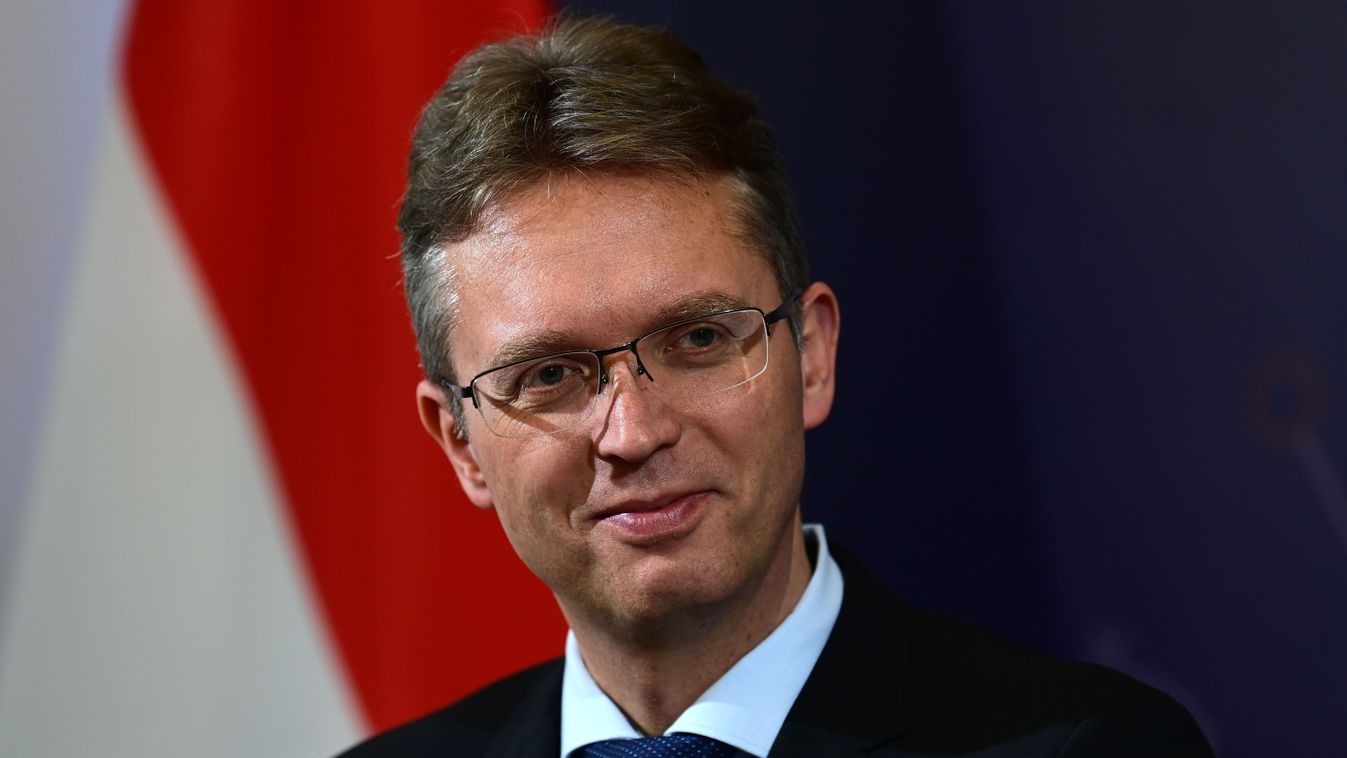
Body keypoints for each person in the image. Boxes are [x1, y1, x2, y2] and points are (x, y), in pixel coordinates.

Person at [339, 17, 1213, 758]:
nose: (632, 431)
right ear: (460, 443)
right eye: (550, 376)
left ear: (813, 355)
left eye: (698, 339)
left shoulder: (1088, 745)